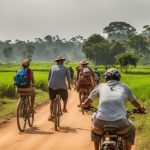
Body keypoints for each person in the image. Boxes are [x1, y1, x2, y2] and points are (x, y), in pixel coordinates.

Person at [82, 68, 145, 150]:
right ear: (119, 78)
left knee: (94, 127)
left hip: (100, 121)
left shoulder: (100, 86)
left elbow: (87, 102)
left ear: (106, 78)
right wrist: (140, 108)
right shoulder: (125, 87)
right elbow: (134, 103)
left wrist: (83, 105)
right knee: (132, 128)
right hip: (120, 122)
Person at [48, 56, 71, 121]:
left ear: (57, 62)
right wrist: (69, 86)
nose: (63, 62)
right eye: (63, 61)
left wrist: (49, 85)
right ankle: (64, 108)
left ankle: (51, 115)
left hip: (51, 86)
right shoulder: (66, 68)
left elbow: (49, 78)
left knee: (52, 101)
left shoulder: (51, 67)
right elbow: (68, 79)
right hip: (62, 87)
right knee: (65, 97)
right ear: (61, 61)